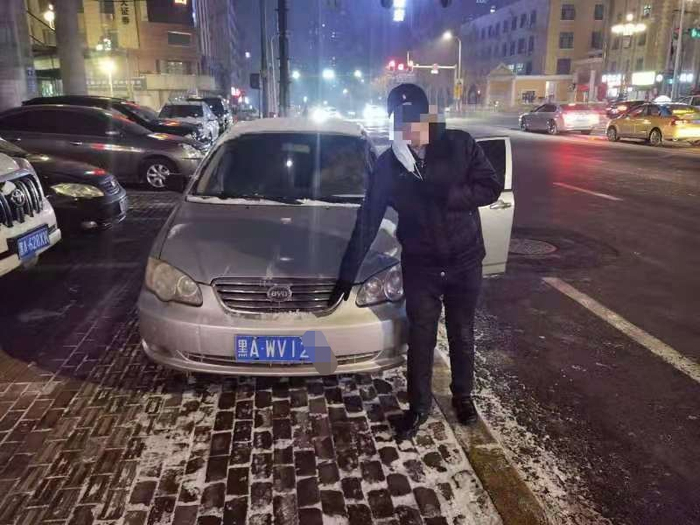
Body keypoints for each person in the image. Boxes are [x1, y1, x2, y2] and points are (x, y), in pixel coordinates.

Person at [330, 84, 504, 440]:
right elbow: (368, 219)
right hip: (421, 266)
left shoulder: (458, 145)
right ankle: (419, 407)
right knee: (421, 337)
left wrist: (452, 194)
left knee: (462, 331)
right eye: (400, 121)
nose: (408, 129)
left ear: (428, 116)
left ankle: (463, 396)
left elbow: (491, 185)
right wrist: (347, 274)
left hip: (464, 260)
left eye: (414, 119)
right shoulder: (389, 165)